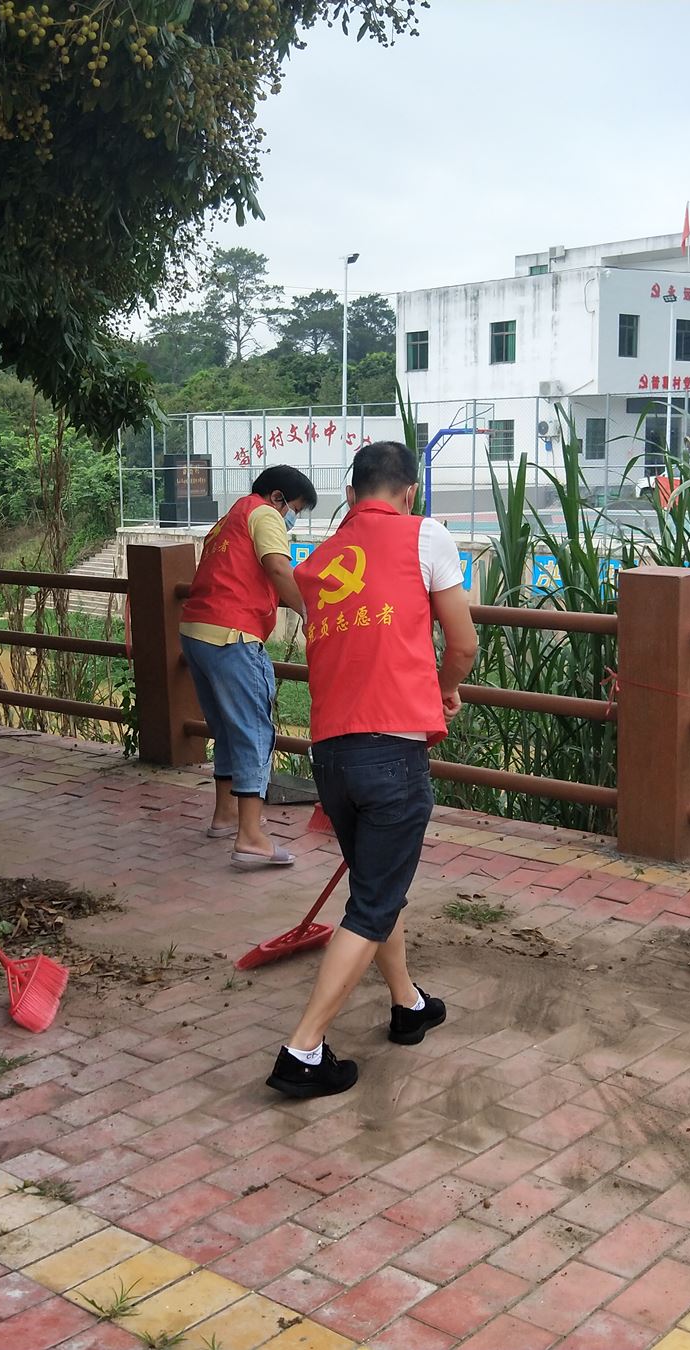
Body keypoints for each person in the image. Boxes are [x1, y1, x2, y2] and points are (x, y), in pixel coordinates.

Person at [266, 442, 478, 1098]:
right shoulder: (427, 535)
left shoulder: (321, 559)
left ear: (353, 493)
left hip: (331, 753)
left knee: (375, 887)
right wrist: (447, 687)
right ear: (408, 492)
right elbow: (464, 643)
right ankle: (302, 1051)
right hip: (392, 752)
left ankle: (408, 1004)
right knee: (372, 901)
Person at [179, 465, 318, 868]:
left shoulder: (230, 518)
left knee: (225, 727)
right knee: (255, 730)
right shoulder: (265, 515)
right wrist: (308, 612)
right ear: (278, 498)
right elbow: (278, 568)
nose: (293, 519)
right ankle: (252, 837)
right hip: (232, 636)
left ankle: (224, 816)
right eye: (295, 508)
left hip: (196, 632)